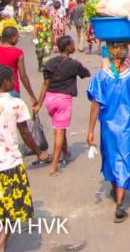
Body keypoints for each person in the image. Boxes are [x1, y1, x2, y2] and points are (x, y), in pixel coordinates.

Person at [0, 65, 49, 252]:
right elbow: (25, 133)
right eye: (11, 79)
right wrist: (39, 152)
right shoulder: (16, 104)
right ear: (5, 81)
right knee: (9, 209)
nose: (13, 82)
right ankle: (0, 245)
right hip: (9, 163)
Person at [86, 41, 130, 223]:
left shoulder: (101, 77)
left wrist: (90, 130)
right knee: (123, 159)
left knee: (111, 157)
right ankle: (120, 204)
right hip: (126, 126)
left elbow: (96, 104)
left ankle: (117, 193)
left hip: (107, 127)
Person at [34, 35, 91, 175]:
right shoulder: (73, 64)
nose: (73, 47)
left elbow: (45, 84)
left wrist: (38, 104)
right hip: (63, 100)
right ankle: (54, 166)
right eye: (72, 44)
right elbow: (87, 73)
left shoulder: (50, 63)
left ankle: (65, 153)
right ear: (67, 47)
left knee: (60, 127)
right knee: (59, 131)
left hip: (50, 99)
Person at [0, 26, 38, 108]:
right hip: (12, 91)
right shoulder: (18, 53)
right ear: (12, 38)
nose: (18, 39)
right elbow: (23, 76)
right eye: (17, 37)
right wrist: (32, 96)